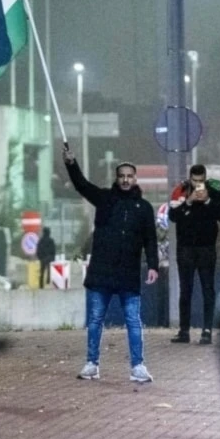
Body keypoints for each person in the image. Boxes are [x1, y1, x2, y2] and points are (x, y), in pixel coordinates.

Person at [63, 145, 159, 383]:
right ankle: (91, 364)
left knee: (133, 321)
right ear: (116, 179)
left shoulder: (144, 208)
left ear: (135, 179)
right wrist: (71, 164)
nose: (125, 180)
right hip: (102, 272)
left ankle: (138, 366)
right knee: (95, 319)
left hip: (128, 273)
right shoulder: (104, 199)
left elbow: (150, 239)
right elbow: (82, 185)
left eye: (129, 176)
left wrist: (154, 265)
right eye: (122, 176)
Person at [169, 164, 220, 345]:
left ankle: (207, 330)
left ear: (205, 178)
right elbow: (172, 216)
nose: (198, 185)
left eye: (201, 181)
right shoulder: (182, 191)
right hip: (185, 248)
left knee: (208, 289)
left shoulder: (214, 192)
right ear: (190, 178)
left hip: (206, 248)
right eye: (195, 181)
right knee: (185, 290)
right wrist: (188, 201)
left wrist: (208, 200)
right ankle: (184, 331)